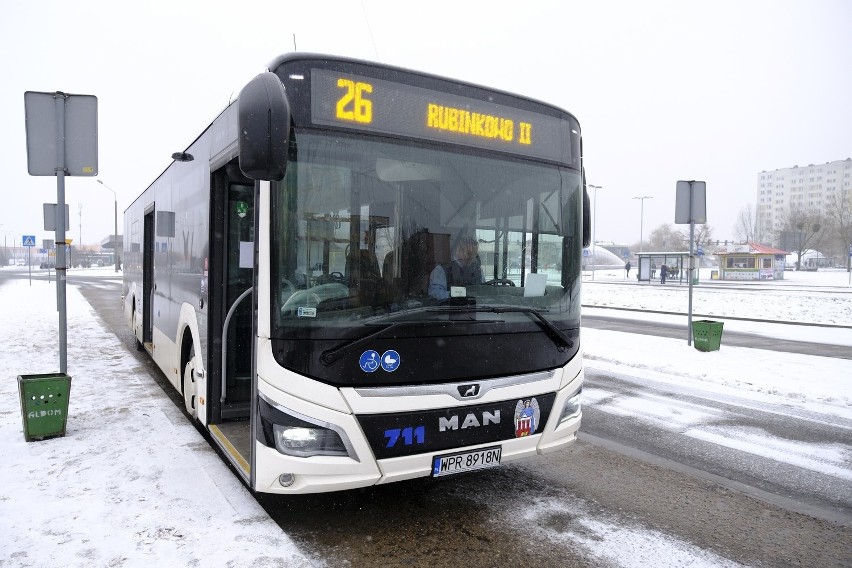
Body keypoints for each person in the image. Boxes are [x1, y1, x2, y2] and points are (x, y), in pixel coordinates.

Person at [428, 235, 483, 299]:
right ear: (458, 250)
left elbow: (483, 290)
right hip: (449, 308)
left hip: (476, 308)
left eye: (475, 254)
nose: (472, 258)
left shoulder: (478, 270)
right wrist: (460, 293)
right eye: (468, 253)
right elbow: (435, 294)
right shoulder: (441, 270)